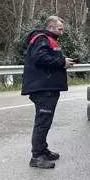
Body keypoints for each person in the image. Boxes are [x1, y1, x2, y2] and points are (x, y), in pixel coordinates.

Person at [21, 16, 75, 169]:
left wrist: (63, 59)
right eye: (60, 29)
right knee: (42, 122)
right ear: (50, 28)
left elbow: (47, 57)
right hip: (43, 88)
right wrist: (61, 62)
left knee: (46, 121)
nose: (62, 32)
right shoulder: (42, 38)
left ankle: (42, 149)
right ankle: (37, 156)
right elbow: (39, 57)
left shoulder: (47, 39)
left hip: (47, 87)